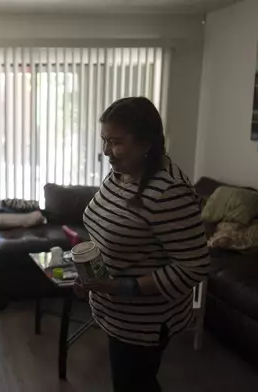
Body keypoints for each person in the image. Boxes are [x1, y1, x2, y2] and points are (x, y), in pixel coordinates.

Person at [75, 97, 210, 392]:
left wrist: (123, 287)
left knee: (134, 385)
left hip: (143, 323)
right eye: (104, 140)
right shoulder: (122, 172)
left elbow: (195, 266)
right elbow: (112, 227)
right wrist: (91, 273)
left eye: (115, 142)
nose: (106, 151)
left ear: (146, 142)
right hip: (114, 312)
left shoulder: (169, 192)